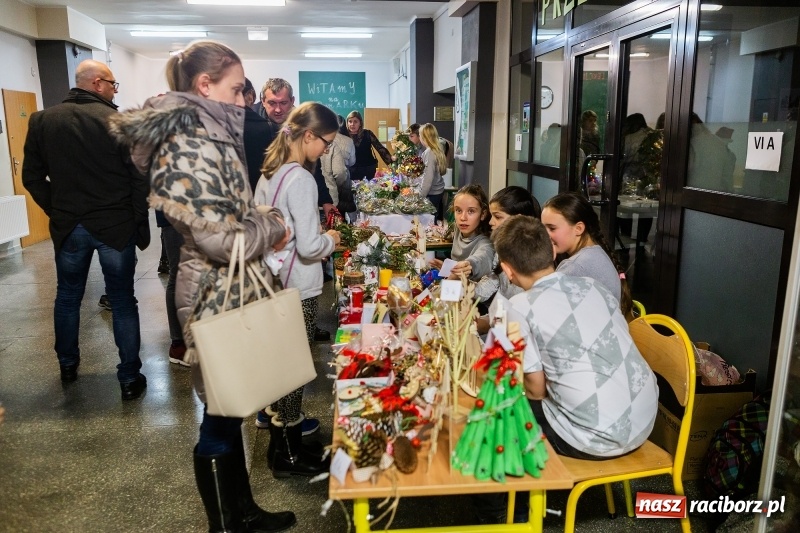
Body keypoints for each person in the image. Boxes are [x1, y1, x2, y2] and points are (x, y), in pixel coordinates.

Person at [109, 41, 296, 532]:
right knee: (219, 413)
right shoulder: (189, 143)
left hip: (224, 287)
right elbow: (217, 238)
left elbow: (227, 217)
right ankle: (227, 524)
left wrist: (257, 219)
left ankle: (242, 511)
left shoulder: (204, 135)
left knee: (229, 407)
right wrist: (273, 226)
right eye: (236, 90)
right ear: (204, 86)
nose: (243, 101)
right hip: (213, 292)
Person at [21, 59, 150, 399]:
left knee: (67, 297)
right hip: (115, 226)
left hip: (69, 228)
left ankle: (67, 366)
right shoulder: (120, 122)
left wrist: (57, 209)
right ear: (97, 83)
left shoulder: (42, 120)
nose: (114, 90)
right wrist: (136, 219)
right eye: (112, 84)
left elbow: (31, 177)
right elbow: (140, 178)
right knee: (122, 301)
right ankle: (128, 378)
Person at [492, 215, 658, 459]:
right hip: (644, 421)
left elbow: (536, 391)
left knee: (499, 405)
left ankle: (512, 492)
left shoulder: (517, 307)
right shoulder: (593, 286)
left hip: (594, 438)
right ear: (552, 251)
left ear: (507, 270)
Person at [253, 102, 341, 478]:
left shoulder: (270, 171)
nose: (325, 150)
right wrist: (331, 239)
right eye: (326, 142)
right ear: (308, 136)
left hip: (271, 281)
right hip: (298, 287)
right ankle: (287, 453)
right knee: (294, 369)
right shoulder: (302, 180)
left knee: (280, 366)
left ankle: (282, 442)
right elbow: (308, 247)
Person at [541, 192, 633, 318]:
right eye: (543, 228)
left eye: (552, 228)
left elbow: (541, 307)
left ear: (578, 228)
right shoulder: (595, 252)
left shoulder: (576, 266)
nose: (545, 235)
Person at [475, 186, 541, 318]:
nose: (491, 222)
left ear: (518, 219)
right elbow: (490, 285)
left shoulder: (534, 257)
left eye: (498, 217)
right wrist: (464, 287)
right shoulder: (501, 250)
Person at [429, 184, 494, 282]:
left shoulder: (485, 243)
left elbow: (482, 258)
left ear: (483, 214)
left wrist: (469, 266)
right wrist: (449, 270)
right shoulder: (458, 229)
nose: (463, 218)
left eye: (471, 211)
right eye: (458, 210)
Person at [320, 114, 357, 218]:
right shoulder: (344, 142)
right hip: (333, 191)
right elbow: (341, 171)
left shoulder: (305, 144)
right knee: (336, 221)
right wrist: (337, 185)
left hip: (313, 198)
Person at [345, 110, 393, 181]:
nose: (352, 124)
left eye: (355, 121)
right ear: (347, 123)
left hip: (368, 170)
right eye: (350, 121)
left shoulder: (367, 133)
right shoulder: (344, 136)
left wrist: (392, 164)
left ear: (360, 123)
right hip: (351, 172)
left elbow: (380, 149)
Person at [418, 123, 447, 221]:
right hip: (438, 191)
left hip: (431, 194)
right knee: (434, 217)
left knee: (429, 221)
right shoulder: (438, 149)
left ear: (424, 137)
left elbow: (428, 178)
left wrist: (420, 197)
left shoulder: (429, 153)